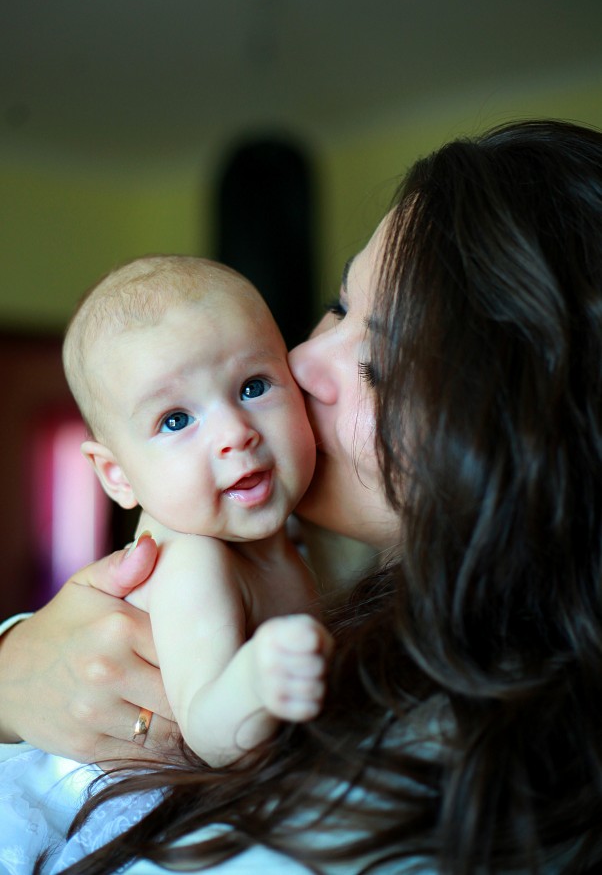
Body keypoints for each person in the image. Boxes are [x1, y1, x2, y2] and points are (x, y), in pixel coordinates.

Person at [1, 118, 602, 874]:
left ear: (522, 442)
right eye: (338, 306)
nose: (303, 360)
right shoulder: (278, 582)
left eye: (381, 364)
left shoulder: (445, 774)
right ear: (111, 470)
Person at [0, 256, 330, 869]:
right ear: (118, 475)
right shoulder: (194, 561)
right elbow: (208, 729)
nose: (235, 431)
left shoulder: (281, 541)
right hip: (81, 802)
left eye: (253, 386)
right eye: (176, 419)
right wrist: (259, 680)